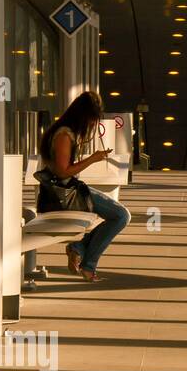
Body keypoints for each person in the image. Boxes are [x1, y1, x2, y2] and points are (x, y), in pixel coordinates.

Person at [39, 91, 130, 282]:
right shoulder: (64, 135)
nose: (91, 125)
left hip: (67, 191)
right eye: (91, 120)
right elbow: (63, 171)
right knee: (121, 216)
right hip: (66, 195)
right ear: (83, 116)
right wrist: (92, 159)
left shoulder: (63, 132)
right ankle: (88, 265)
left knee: (119, 215)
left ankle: (79, 249)